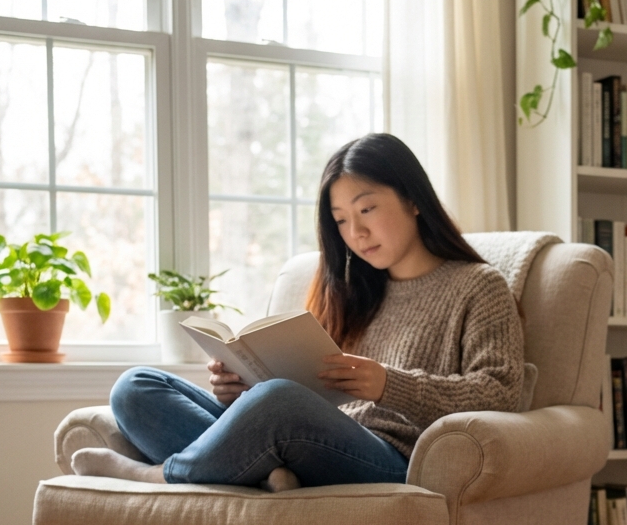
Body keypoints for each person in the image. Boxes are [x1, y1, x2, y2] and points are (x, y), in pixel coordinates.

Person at [72, 133, 524, 490]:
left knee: (280, 401)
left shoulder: (478, 286)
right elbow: (306, 396)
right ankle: (262, 475)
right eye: (342, 219)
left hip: (388, 459)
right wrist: (238, 389)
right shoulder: (349, 289)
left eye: (367, 209)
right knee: (136, 387)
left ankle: (161, 475)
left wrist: (389, 385)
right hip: (301, 442)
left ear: (413, 200)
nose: (357, 232)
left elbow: (501, 394)